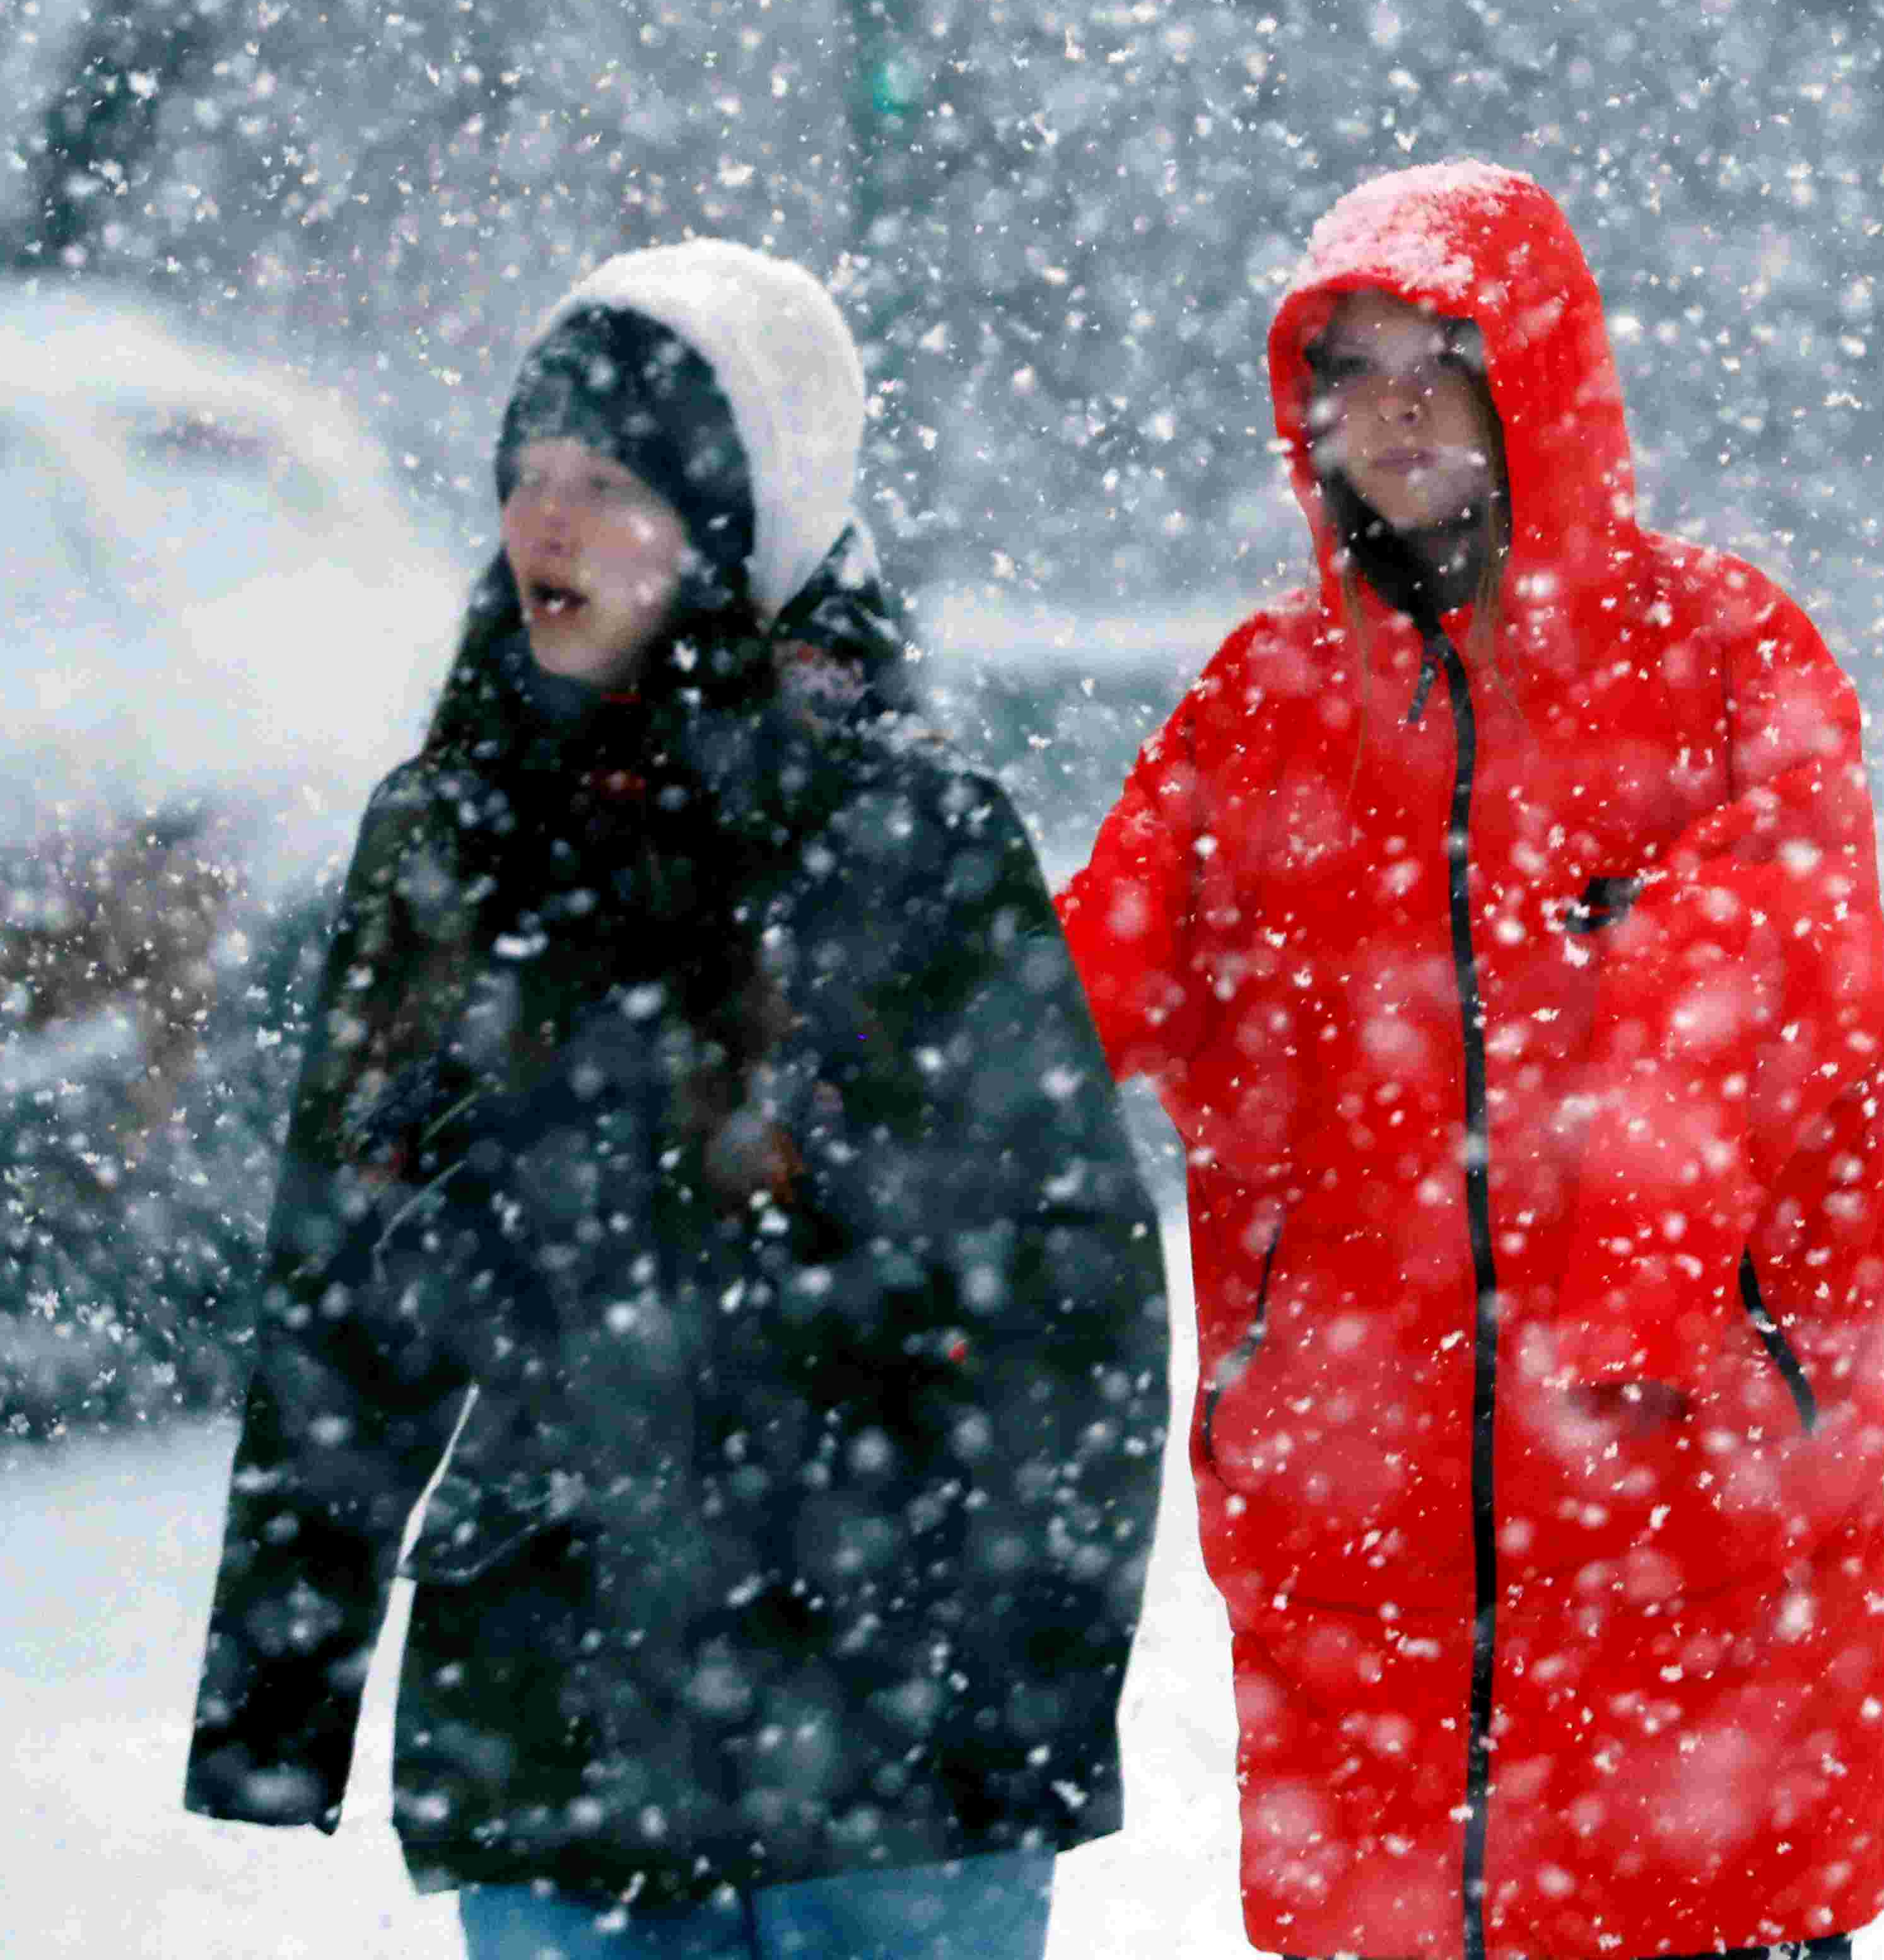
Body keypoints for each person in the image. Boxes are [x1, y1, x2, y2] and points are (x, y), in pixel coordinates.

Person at [185, 239, 1170, 1959]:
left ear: (733, 525)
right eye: (527, 476)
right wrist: (279, 1688)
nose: (546, 524)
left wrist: (1027, 1696)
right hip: (558, 1724)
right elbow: (339, 1290)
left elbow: (1072, 1308)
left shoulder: (917, 842)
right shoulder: (449, 833)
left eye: (610, 484)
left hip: (891, 1739)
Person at [1060, 162, 1884, 1960]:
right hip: (1360, 1526)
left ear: (1536, 372)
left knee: (1697, 1906)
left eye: (1437, 359)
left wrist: (1630, 1327)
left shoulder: (1723, 656)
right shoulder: (1265, 705)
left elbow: (1783, 1001)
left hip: (1679, 1516)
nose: (1392, 410)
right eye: (1348, 370)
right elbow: (1071, 995)